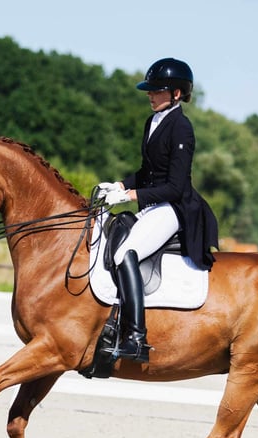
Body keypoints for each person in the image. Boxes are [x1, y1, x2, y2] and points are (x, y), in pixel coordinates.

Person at [97, 57, 219, 364]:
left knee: (126, 253)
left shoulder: (182, 128)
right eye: (149, 91)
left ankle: (136, 336)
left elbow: (175, 186)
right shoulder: (152, 122)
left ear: (177, 94)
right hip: (154, 203)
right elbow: (147, 171)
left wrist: (130, 195)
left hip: (174, 207)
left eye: (157, 91)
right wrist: (118, 184)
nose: (150, 95)